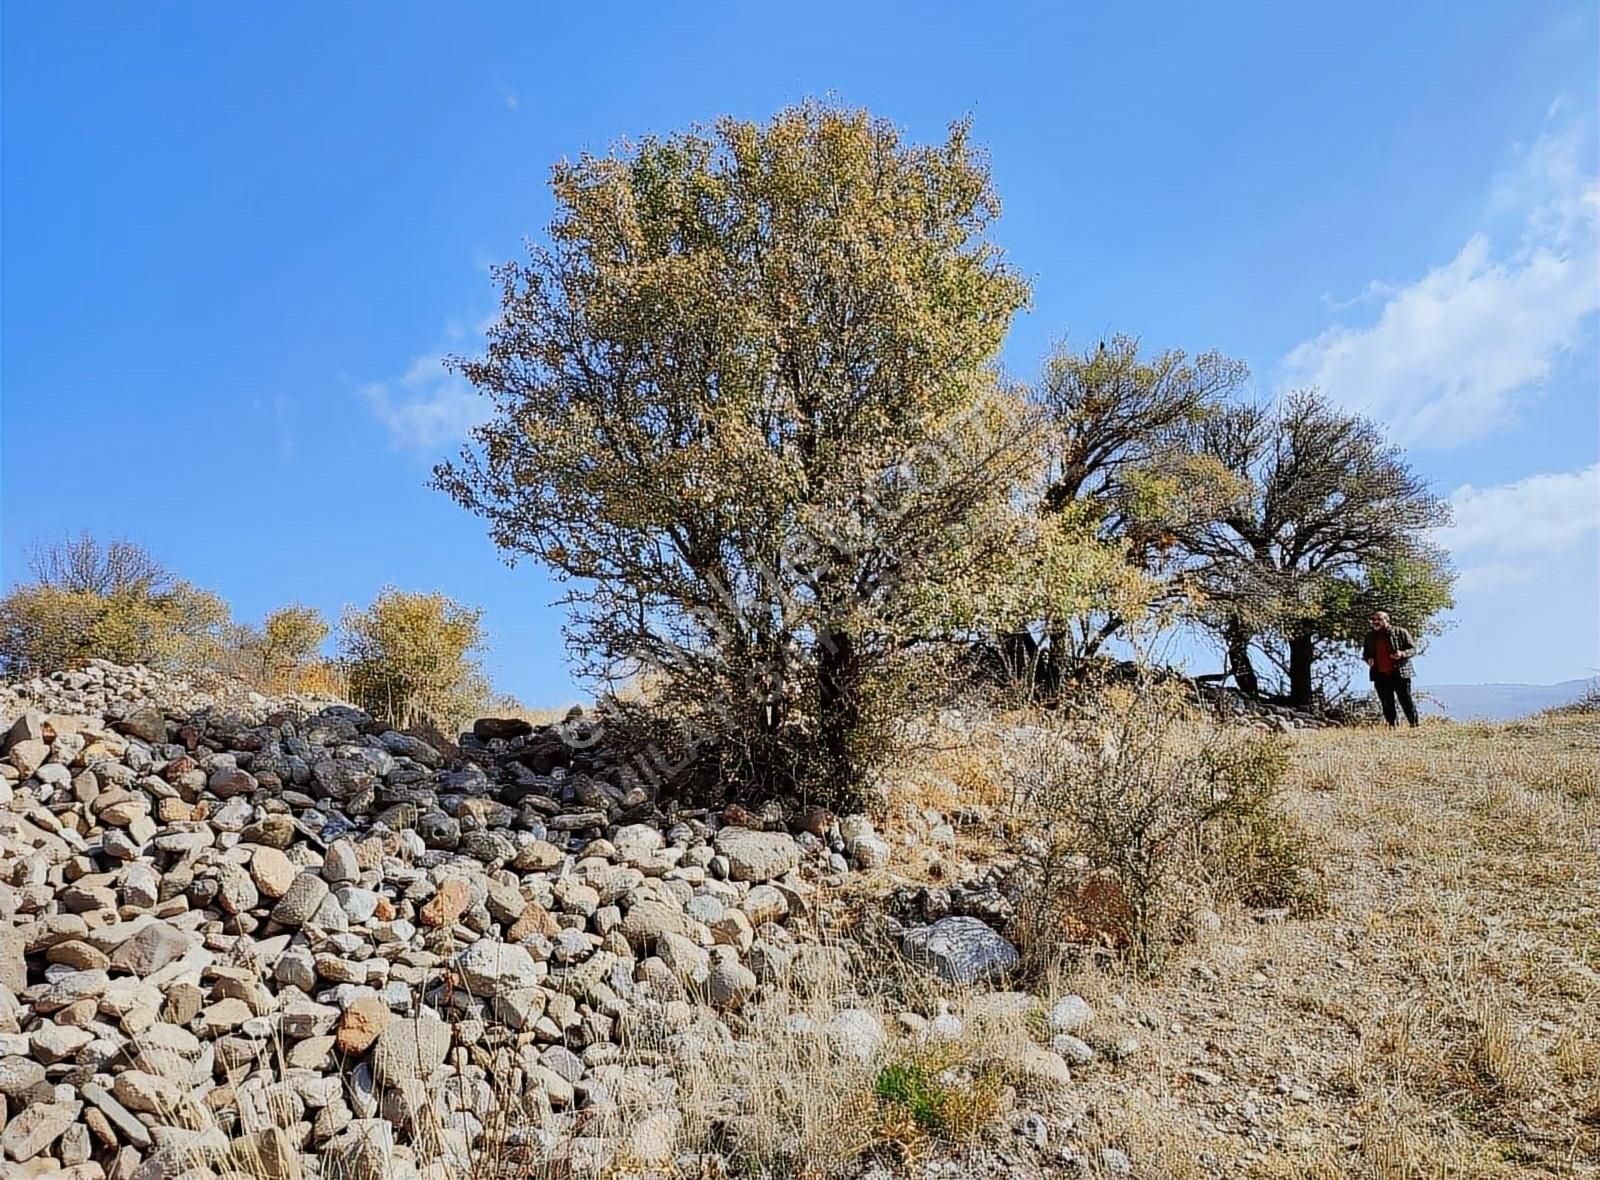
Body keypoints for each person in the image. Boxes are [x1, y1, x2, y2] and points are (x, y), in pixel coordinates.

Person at [1362, 610, 1419, 728]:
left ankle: (1414, 724)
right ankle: (1392, 726)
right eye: (1373, 620)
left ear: (1387, 620)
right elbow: (1366, 654)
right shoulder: (1370, 636)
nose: (1375, 622)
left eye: (1379, 619)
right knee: (1386, 702)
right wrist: (1368, 659)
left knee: (1405, 700)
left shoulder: (1400, 632)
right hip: (1380, 674)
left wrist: (1402, 654)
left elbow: (1412, 649)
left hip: (1400, 673)